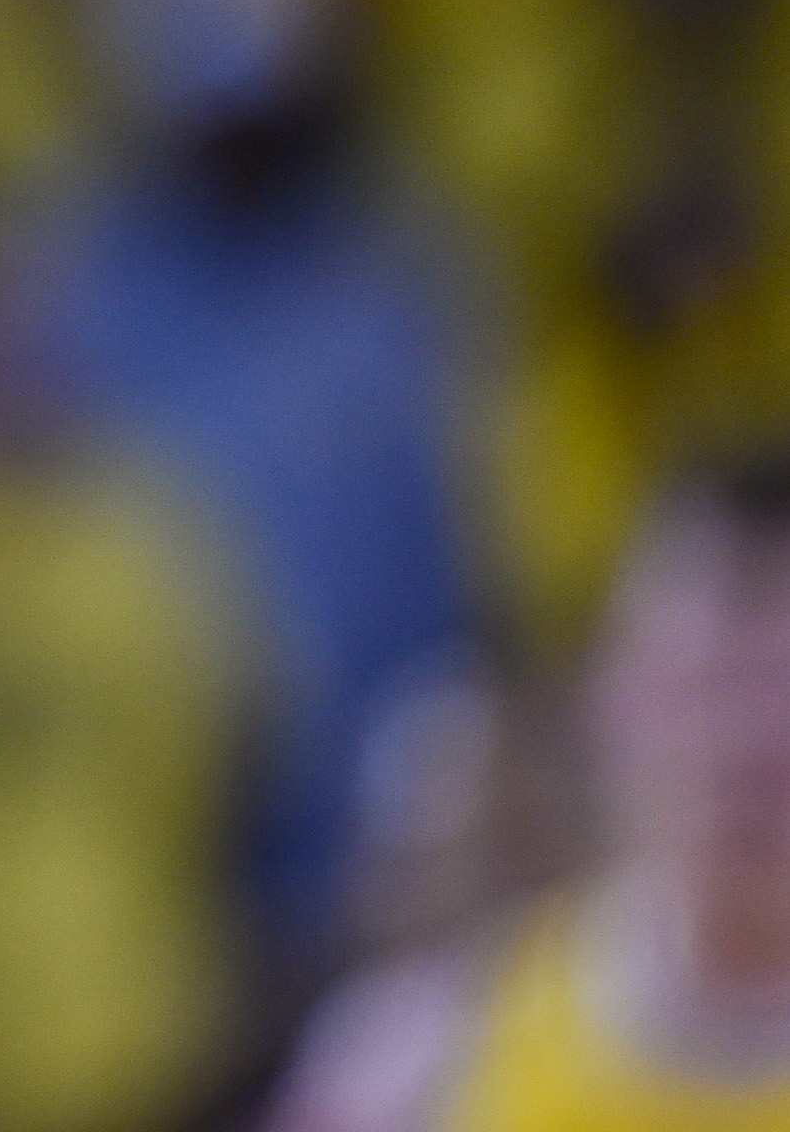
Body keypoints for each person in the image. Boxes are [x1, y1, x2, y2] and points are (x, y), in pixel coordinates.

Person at [262, 450, 790, 1132]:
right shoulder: (422, 1052)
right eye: (707, 685)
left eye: (781, 695)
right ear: (604, 697)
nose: (748, 744)